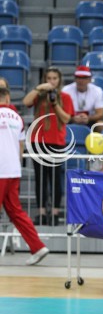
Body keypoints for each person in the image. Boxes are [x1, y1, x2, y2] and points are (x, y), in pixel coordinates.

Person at [0, 86, 49, 265]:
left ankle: (37, 246)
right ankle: (37, 246)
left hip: (0, 170)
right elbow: (21, 147)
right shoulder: (18, 118)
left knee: (16, 211)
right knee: (15, 212)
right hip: (13, 169)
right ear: (7, 98)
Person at [23, 67, 74, 226]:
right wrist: (39, 89)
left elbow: (66, 119)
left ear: (59, 80)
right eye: (49, 78)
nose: (52, 81)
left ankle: (55, 213)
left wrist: (55, 104)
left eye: (54, 78)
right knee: (40, 178)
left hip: (56, 142)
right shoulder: (39, 95)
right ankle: (41, 213)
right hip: (37, 141)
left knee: (55, 179)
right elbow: (26, 102)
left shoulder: (65, 97)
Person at [62, 66, 103, 131]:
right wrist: (73, 119)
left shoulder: (97, 91)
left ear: (89, 79)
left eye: (84, 78)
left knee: (101, 124)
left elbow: (100, 114)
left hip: (90, 121)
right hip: (70, 120)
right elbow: (62, 112)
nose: (81, 81)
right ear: (75, 79)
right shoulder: (66, 90)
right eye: (78, 77)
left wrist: (88, 118)